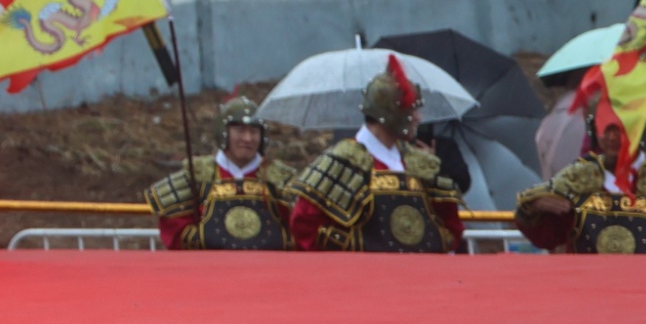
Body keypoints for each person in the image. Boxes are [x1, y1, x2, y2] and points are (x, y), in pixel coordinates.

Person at [281, 58, 468, 254]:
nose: (418, 118)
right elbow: (305, 225)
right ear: (392, 114)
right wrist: (356, 249)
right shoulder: (343, 160)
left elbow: (450, 225)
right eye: (411, 110)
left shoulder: (419, 163)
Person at [515, 102, 646, 255]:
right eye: (605, 128)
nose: (611, 137)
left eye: (619, 129)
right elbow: (547, 237)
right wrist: (535, 211)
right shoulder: (576, 178)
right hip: (589, 293)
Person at [144, 100, 292, 250]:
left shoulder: (280, 178)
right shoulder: (197, 175)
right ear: (224, 133)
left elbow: (298, 228)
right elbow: (175, 230)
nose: (247, 138)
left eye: (254, 131)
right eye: (240, 130)